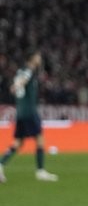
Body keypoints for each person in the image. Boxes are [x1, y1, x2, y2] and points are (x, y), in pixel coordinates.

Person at [0, 52, 58, 183]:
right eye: (38, 56)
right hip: (29, 111)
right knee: (40, 139)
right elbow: (23, 80)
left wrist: (16, 86)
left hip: (21, 111)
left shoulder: (19, 71)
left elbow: (19, 82)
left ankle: (1, 164)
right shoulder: (28, 70)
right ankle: (40, 171)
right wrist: (17, 85)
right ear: (32, 58)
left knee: (18, 143)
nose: (40, 58)